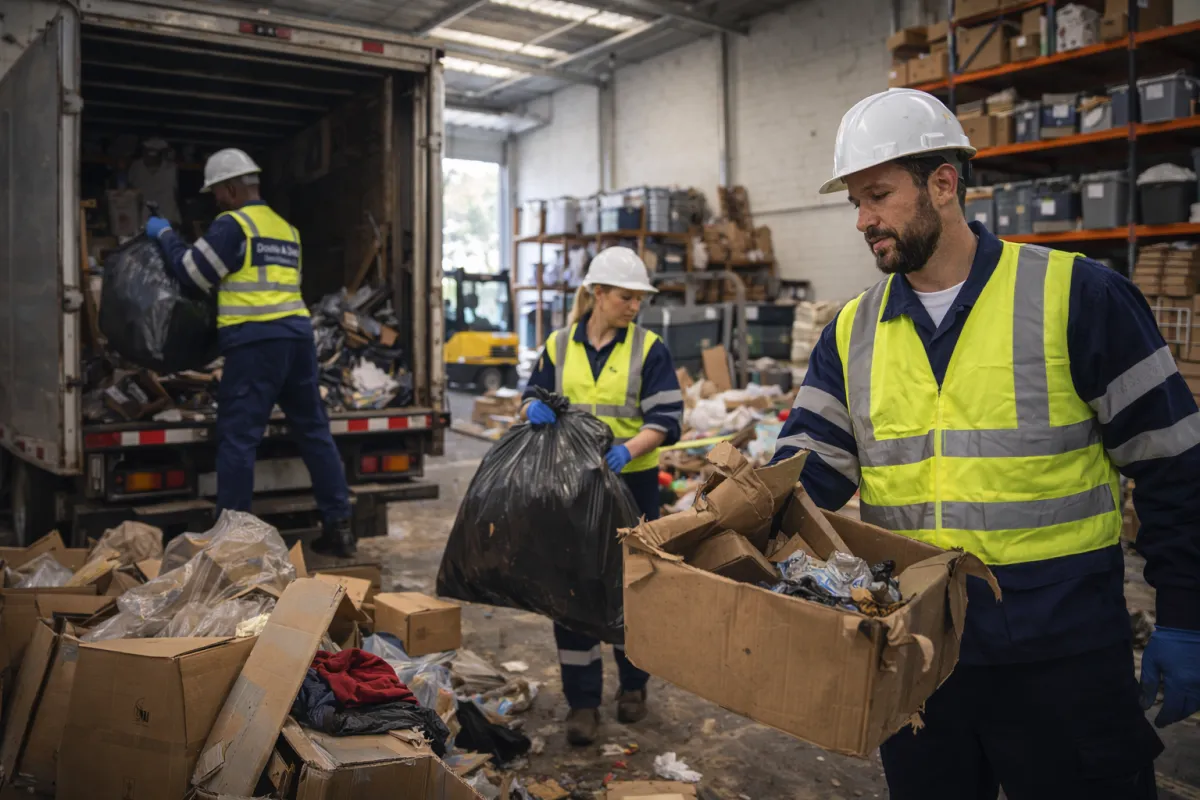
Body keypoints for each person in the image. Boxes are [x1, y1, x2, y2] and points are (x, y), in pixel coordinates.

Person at [772, 88, 1200, 799]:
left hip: (1062, 656)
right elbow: (805, 475)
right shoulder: (852, 332)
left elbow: (1175, 469)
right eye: (856, 200)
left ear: (944, 183)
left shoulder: (1079, 297)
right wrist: (729, 518)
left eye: (877, 195)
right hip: (918, 660)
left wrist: (1186, 616)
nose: (862, 220)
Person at [145, 148, 355, 557]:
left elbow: (192, 272)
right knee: (314, 433)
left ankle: (233, 543)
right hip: (297, 339)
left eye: (218, 193)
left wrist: (164, 234)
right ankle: (340, 527)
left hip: (256, 343)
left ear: (231, 188)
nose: (216, 201)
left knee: (239, 439)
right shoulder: (285, 229)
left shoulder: (233, 226)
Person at [521, 246, 684, 746]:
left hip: (630, 485)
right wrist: (532, 408)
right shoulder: (557, 344)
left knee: (629, 590)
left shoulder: (648, 347)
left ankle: (633, 686)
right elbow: (531, 393)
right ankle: (583, 703)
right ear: (596, 293)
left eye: (639, 298)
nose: (634, 305)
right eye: (625, 296)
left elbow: (667, 418)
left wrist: (627, 450)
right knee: (572, 592)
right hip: (571, 486)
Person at [128, 138, 181, 227]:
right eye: (148, 152)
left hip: (167, 220)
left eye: (155, 153)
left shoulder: (171, 169)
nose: (151, 158)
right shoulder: (136, 167)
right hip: (141, 222)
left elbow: (177, 195)